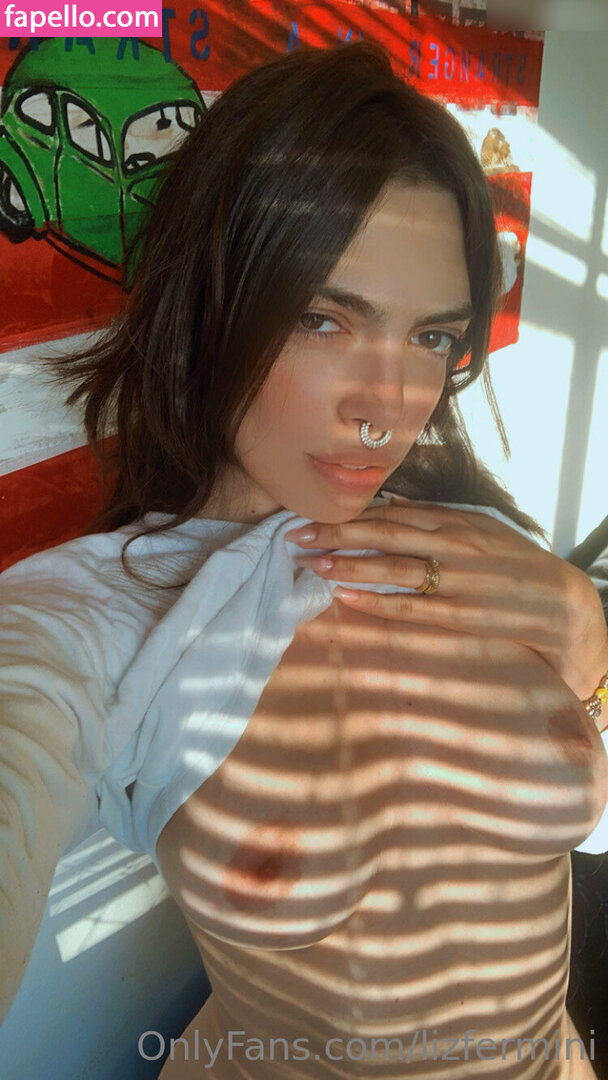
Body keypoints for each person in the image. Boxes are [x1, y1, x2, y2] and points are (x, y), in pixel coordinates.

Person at [1, 43, 607, 1078]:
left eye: (431, 339)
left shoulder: (480, 544)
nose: (385, 411)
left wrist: (586, 635)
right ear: (207, 307)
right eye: (323, 318)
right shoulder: (108, 615)